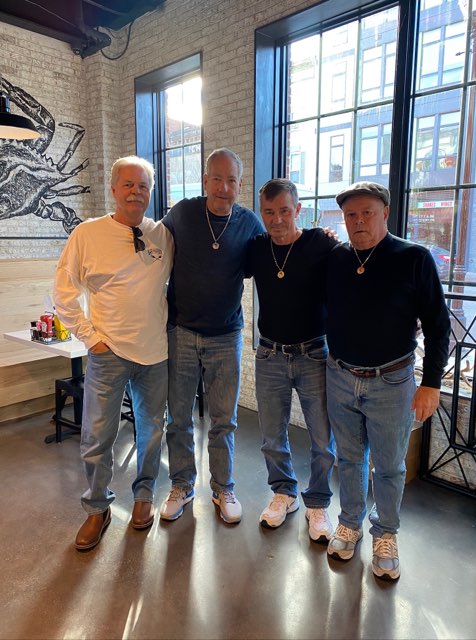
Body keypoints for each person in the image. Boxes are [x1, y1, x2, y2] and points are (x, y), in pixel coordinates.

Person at [325, 181, 450, 579]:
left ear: (385, 214)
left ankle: (385, 533)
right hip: (340, 375)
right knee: (348, 458)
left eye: (368, 213)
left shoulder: (414, 257)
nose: (359, 221)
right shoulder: (336, 258)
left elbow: (438, 325)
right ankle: (349, 522)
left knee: (390, 466)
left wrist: (431, 384)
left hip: (392, 382)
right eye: (351, 215)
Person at [54, 155, 173, 550]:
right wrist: (91, 339)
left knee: (152, 432)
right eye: (128, 184)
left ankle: (143, 497)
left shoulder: (162, 235)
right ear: (113, 188)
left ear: (150, 192)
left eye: (143, 186)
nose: (136, 192)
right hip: (108, 354)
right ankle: (97, 508)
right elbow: (63, 293)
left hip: (155, 354)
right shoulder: (87, 234)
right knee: (97, 436)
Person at [159, 148, 264, 524]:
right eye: (216, 179)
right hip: (182, 332)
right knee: (179, 417)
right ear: (205, 181)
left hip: (226, 335)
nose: (223, 187)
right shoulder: (183, 213)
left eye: (231, 180)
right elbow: (153, 248)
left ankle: (223, 488)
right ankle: (182, 485)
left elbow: (274, 258)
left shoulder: (249, 223)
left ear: (240, 185)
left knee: (224, 420)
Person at [246, 179, 337, 539]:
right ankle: (284, 493)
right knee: (272, 435)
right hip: (270, 354)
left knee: (322, 438)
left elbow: (354, 273)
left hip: (314, 354)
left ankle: (318, 502)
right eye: (269, 212)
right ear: (261, 212)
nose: (277, 219)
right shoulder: (256, 248)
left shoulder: (320, 242)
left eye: (285, 210)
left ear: (298, 209)